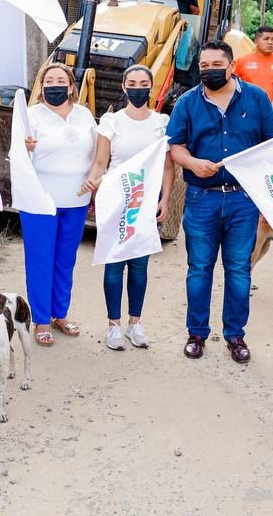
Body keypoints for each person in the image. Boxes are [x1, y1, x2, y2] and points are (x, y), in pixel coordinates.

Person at [168, 41, 273, 364]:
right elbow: (175, 147)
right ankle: (196, 334)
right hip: (200, 199)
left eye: (217, 64)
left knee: (238, 270)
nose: (210, 70)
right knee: (199, 268)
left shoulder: (256, 99)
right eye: (204, 65)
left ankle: (235, 335)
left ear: (232, 66)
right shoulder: (187, 103)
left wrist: (271, 198)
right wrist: (192, 164)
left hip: (242, 200)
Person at [82, 65, 176, 351]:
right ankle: (113, 326)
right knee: (113, 264)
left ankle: (135, 323)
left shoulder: (161, 122)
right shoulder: (111, 122)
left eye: (143, 83)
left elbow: (168, 165)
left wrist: (165, 199)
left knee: (139, 265)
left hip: (144, 201)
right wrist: (92, 189)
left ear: (151, 87)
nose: (137, 87)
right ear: (124, 87)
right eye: (132, 82)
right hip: (116, 199)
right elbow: (100, 162)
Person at [21, 63, 97, 347]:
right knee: (41, 260)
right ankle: (41, 319)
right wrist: (25, 148)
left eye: (60, 80)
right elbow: (17, 158)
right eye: (48, 80)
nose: (54, 84)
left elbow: (97, 154)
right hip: (40, 201)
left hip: (76, 200)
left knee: (65, 260)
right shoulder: (30, 116)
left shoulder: (84, 114)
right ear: (41, 86)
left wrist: (95, 181)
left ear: (70, 86)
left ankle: (59, 314)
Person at [233, 25, 273, 129]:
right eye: (266, 39)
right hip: (248, 118)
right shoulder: (242, 62)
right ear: (256, 41)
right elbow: (228, 85)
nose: (270, 42)